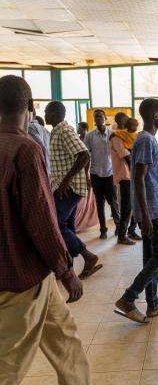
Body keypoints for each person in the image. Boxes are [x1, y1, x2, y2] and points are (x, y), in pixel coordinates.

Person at [0, 75, 90, 384]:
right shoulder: (26, 148)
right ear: (30, 107)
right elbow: (41, 221)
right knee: (9, 363)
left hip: (31, 274)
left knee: (66, 340)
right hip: (20, 279)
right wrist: (67, 272)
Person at [115, 99, 158, 323]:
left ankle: (153, 305)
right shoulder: (146, 141)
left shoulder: (146, 140)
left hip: (151, 208)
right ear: (154, 116)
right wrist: (144, 215)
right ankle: (129, 297)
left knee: (152, 257)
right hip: (151, 211)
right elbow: (139, 179)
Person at [47, 101, 102, 279]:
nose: (45, 114)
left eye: (47, 112)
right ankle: (68, 267)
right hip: (65, 186)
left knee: (56, 225)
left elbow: (84, 154)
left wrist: (66, 181)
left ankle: (88, 256)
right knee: (68, 226)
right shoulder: (57, 131)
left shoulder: (64, 131)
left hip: (67, 188)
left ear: (55, 114)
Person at [84, 109, 121, 239]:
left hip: (110, 173)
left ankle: (118, 227)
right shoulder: (89, 136)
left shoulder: (112, 135)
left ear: (105, 118)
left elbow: (118, 154)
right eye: (96, 117)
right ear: (94, 119)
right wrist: (87, 175)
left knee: (113, 202)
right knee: (99, 203)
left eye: (100, 116)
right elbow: (86, 156)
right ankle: (103, 230)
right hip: (95, 174)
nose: (98, 118)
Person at [110, 116, 141, 245]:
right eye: (131, 124)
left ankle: (131, 230)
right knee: (127, 206)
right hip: (125, 175)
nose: (135, 127)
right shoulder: (116, 137)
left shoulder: (130, 136)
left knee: (136, 204)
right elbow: (127, 156)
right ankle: (121, 235)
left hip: (132, 175)